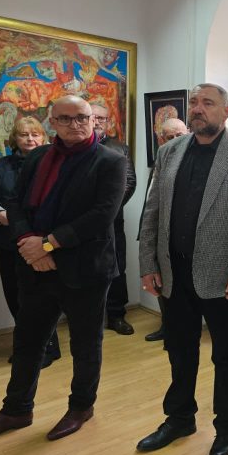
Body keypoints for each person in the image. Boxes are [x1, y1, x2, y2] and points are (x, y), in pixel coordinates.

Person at [137, 83, 228, 455]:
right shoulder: (170, 151)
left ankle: (226, 428)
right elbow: (152, 212)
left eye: (208, 103)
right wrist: (148, 263)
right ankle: (179, 418)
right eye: (194, 102)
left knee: (226, 357)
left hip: (223, 276)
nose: (198, 109)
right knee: (179, 351)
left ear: (225, 112)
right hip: (173, 273)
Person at [0, 96, 126, 442]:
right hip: (36, 267)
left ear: (93, 120)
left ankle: (81, 407)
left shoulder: (111, 161)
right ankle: (16, 410)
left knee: (85, 345)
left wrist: (46, 245)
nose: (76, 124)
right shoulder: (39, 156)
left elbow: (102, 215)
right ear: (52, 122)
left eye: (83, 117)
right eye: (66, 118)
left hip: (85, 270)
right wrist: (28, 242)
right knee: (28, 342)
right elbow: (15, 203)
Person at [0, 117, 61, 368]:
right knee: (14, 296)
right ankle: (27, 346)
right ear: (15, 138)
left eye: (35, 134)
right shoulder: (3, 165)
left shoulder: (56, 163)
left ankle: (47, 348)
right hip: (8, 243)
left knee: (41, 298)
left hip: (41, 243)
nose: (30, 139)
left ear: (43, 137)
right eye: (24, 134)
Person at [141, 117, 189, 343]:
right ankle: (167, 326)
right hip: (159, 235)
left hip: (183, 242)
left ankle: (176, 328)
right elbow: (151, 205)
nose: (176, 140)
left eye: (180, 135)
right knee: (162, 284)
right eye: (170, 137)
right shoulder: (162, 159)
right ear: (161, 140)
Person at [90, 100, 137, 335]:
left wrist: (105, 211)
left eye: (102, 118)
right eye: (93, 117)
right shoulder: (72, 147)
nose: (97, 122)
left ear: (108, 122)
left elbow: (129, 183)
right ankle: (88, 317)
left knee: (117, 269)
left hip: (112, 223)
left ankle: (117, 315)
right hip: (78, 225)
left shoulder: (119, 148)